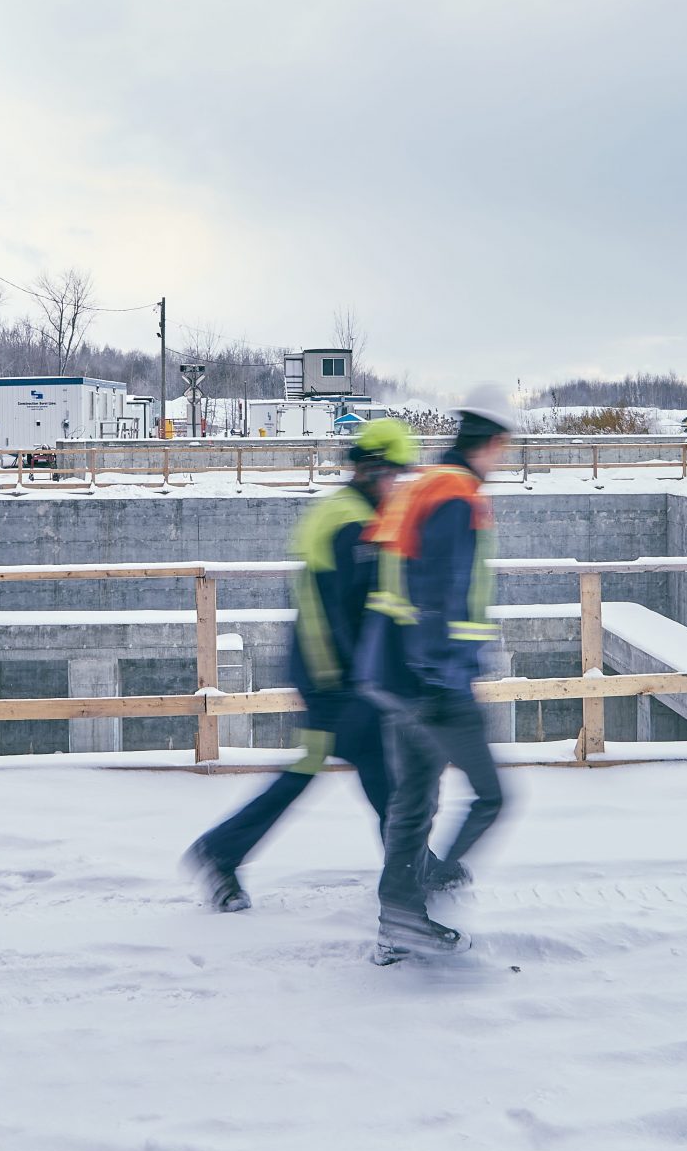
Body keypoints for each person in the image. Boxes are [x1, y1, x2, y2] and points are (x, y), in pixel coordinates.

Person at [185, 418, 419, 912]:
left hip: (333, 676)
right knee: (375, 774)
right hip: (335, 679)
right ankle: (412, 874)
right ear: (373, 469)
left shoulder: (353, 513)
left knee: (354, 771)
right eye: (396, 473)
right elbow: (336, 611)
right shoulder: (351, 524)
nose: (400, 484)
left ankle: (221, 851)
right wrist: (353, 680)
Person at [358, 407, 514, 963]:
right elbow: (440, 591)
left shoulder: (423, 483)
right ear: (490, 444)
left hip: (393, 669)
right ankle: (428, 884)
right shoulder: (455, 496)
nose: (502, 460)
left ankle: (399, 917)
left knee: (414, 796)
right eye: (503, 449)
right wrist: (440, 676)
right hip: (432, 678)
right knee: (491, 796)